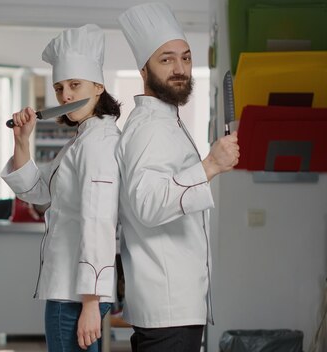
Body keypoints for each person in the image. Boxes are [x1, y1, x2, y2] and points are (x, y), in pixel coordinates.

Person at [115, 3, 240, 352]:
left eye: (185, 58)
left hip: (173, 305)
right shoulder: (150, 128)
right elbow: (148, 204)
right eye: (166, 59)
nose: (180, 68)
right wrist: (210, 165)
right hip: (167, 307)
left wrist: (210, 166)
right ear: (144, 69)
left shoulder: (166, 121)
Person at [1, 24, 122, 351]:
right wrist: (22, 140)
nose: (65, 95)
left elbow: (98, 223)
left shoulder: (98, 145)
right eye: (59, 88)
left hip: (75, 294)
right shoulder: (82, 140)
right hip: (74, 290)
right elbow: (39, 192)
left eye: (74, 85)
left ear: (98, 87)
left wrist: (90, 304)